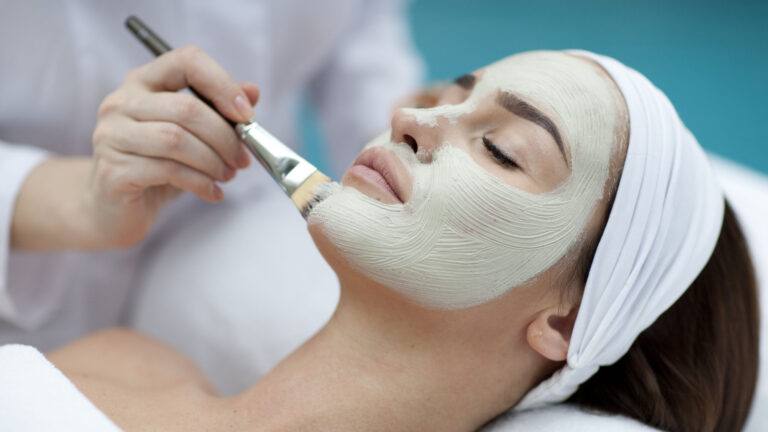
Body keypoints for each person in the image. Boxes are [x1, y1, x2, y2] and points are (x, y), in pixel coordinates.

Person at [45, 50, 758, 431]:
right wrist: (79, 203)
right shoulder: (117, 360)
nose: (413, 120)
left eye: (502, 150)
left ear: (568, 323)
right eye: (444, 100)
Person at [0, 1, 423, 348]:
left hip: (247, 244)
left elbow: (359, 26)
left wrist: (398, 145)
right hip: (46, 303)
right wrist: (83, 201)